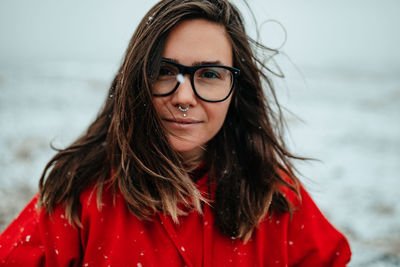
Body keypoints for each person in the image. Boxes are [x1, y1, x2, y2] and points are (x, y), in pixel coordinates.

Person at [0, 0, 351, 266]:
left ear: (236, 87)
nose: (184, 97)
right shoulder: (80, 194)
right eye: (165, 71)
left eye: (210, 74)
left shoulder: (274, 196)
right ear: (137, 80)